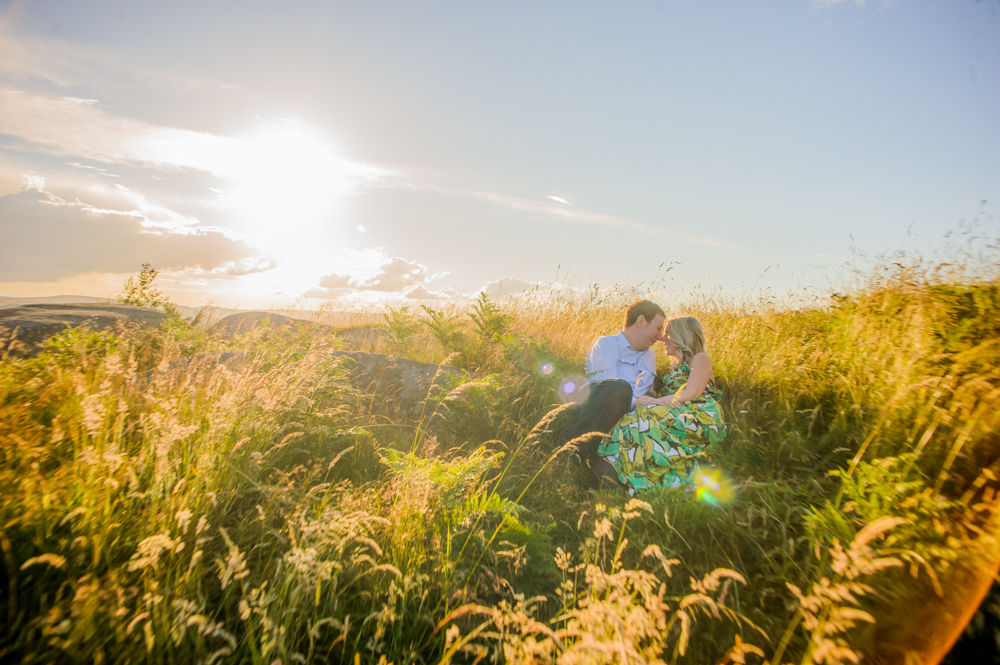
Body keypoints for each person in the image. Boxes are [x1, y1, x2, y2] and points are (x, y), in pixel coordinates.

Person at [595, 316, 727, 492]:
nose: (662, 338)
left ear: (683, 335)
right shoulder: (677, 367)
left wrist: (657, 402)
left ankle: (637, 480)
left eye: (668, 333)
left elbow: (693, 392)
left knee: (641, 421)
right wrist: (650, 398)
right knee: (628, 422)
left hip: (700, 414)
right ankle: (614, 476)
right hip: (678, 410)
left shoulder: (700, 358)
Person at [565, 299, 665, 484]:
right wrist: (642, 401)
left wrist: (655, 400)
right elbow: (608, 390)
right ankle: (572, 458)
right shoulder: (606, 344)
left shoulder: (649, 355)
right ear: (641, 321)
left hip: (630, 422)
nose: (660, 336)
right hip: (598, 417)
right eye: (658, 328)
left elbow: (648, 391)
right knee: (619, 388)